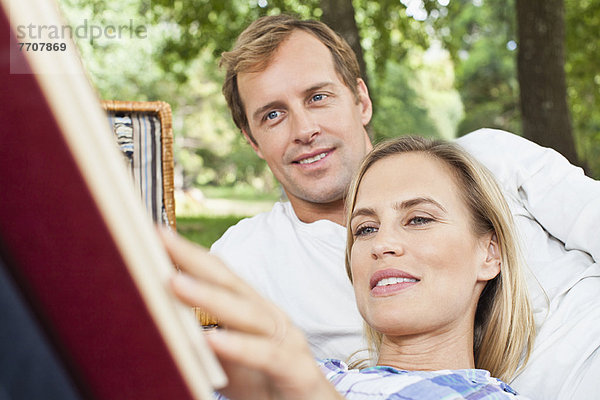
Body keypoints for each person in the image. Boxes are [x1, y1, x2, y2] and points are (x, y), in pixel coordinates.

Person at [211, 14, 600, 399]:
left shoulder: (490, 157)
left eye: (318, 97)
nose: (304, 130)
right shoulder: (247, 257)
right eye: (273, 115)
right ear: (252, 140)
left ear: (361, 100)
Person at [163, 136, 535, 399]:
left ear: (490, 254)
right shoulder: (304, 375)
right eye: (365, 229)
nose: (382, 244)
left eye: (419, 219)